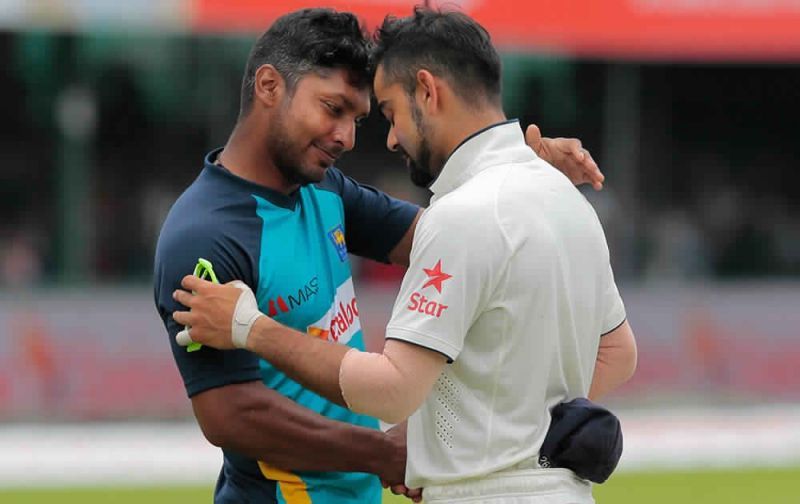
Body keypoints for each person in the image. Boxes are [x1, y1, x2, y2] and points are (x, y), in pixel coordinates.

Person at [157, 7, 607, 504]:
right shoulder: (204, 235)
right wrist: (381, 453)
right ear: (268, 86)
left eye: (359, 118)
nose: (347, 137)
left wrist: (519, 175)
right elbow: (230, 414)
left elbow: (469, 244)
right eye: (332, 108)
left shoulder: (326, 190)